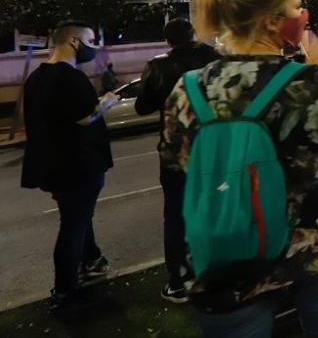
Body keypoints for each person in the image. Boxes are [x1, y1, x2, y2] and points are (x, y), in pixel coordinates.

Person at [161, 0, 318, 337]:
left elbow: (176, 161)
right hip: (312, 245)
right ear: (272, 22)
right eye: (296, 7)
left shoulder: (187, 88)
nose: (303, 15)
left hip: (227, 251)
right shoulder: (310, 80)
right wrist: (316, 73)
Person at [21, 21, 119, 311]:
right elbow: (84, 117)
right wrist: (107, 103)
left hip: (54, 166)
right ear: (75, 41)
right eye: (91, 41)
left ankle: (91, 259)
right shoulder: (70, 78)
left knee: (78, 217)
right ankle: (66, 290)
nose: (94, 47)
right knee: (73, 225)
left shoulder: (38, 77)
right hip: (79, 165)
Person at [134, 19, 220, 303]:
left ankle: (179, 280)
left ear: (168, 41)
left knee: (176, 215)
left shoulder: (158, 66)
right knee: (217, 206)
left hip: (176, 151)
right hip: (214, 147)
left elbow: (142, 106)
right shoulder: (216, 59)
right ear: (193, 35)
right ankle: (217, 268)